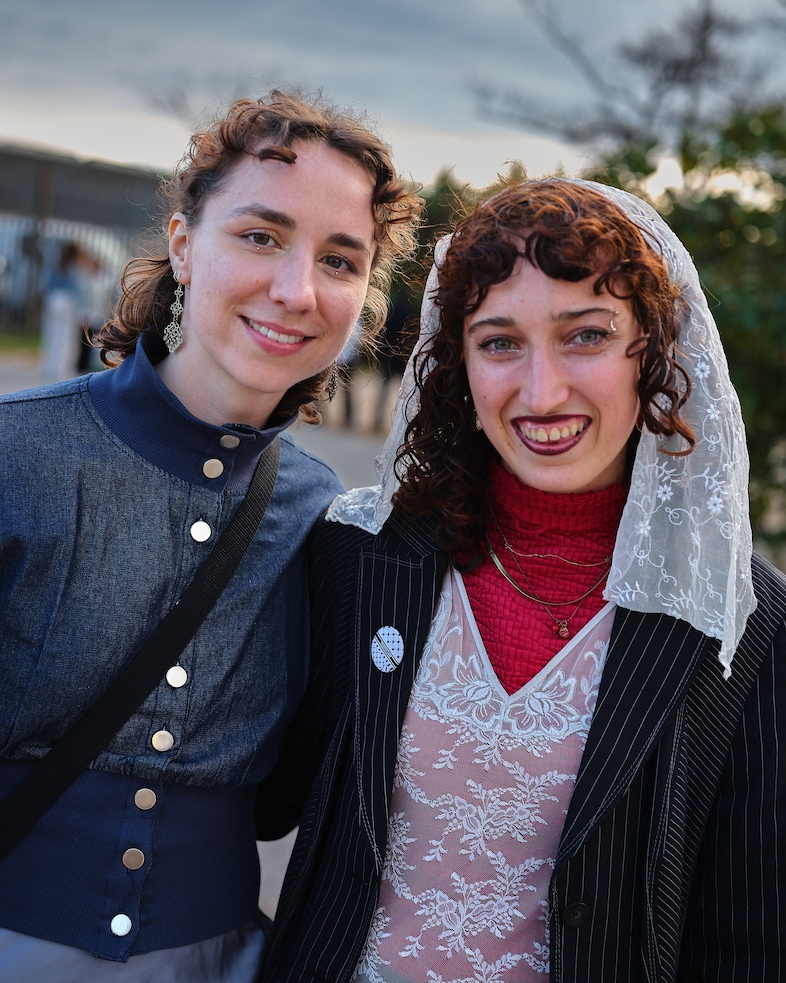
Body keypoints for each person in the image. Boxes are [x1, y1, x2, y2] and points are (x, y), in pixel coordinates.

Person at [257, 178, 786, 982]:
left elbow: (747, 939)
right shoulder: (357, 555)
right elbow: (252, 796)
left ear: (655, 349)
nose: (541, 392)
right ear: (458, 361)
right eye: (500, 342)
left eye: (586, 335)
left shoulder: (739, 618)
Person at [0, 89, 421, 981]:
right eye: (261, 236)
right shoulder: (16, 454)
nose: (297, 290)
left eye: (339, 260)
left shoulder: (328, 516)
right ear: (184, 245)